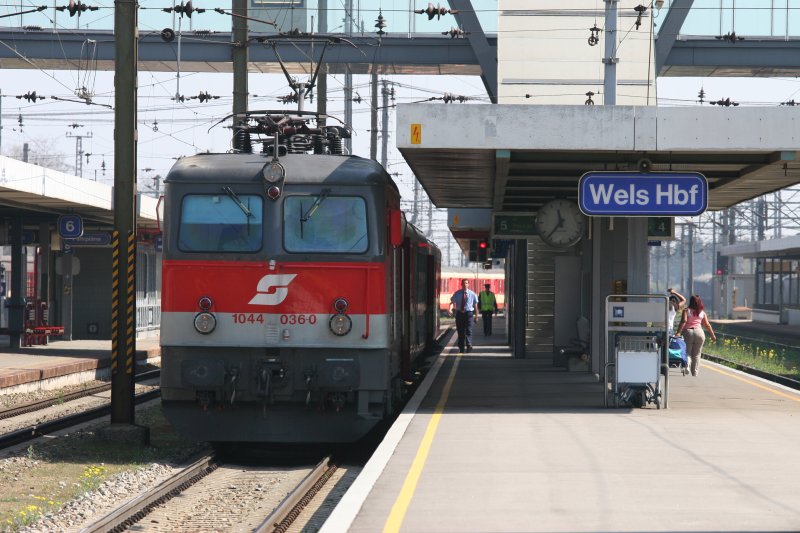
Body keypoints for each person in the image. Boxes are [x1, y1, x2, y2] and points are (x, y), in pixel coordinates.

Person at [675, 294, 717, 376]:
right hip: (699, 333)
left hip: (688, 332)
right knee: (697, 354)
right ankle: (694, 372)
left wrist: (678, 332)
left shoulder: (686, 311)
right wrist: (712, 335)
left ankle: (687, 365)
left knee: (687, 352)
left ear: (690, 302)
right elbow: (707, 325)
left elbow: (684, 321)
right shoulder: (702, 313)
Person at [449, 278, 479, 353]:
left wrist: (476, 316)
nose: (465, 285)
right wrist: (450, 309)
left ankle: (469, 345)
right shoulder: (457, 293)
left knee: (469, 330)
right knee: (460, 331)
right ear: (461, 284)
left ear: (468, 284)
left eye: (466, 283)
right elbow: (452, 302)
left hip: (469, 314)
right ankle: (461, 347)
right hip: (459, 314)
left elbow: (475, 306)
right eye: (464, 283)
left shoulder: (472, 294)